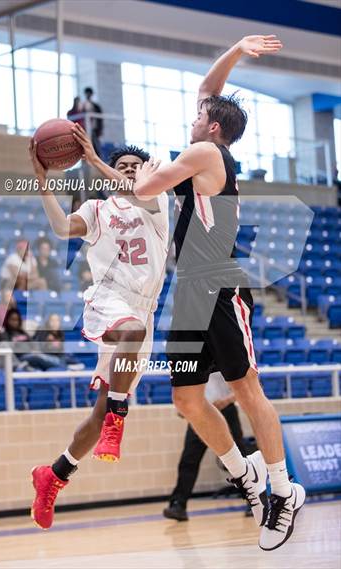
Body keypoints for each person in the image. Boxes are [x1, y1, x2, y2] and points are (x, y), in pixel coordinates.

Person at [133, 35, 305, 552]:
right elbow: (210, 90)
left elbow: (145, 189)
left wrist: (127, 170)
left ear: (211, 128)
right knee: (186, 399)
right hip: (190, 291)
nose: (191, 118)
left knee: (247, 388)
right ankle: (244, 475)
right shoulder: (209, 143)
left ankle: (281, 489)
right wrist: (235, 49)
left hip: (219, 285)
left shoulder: (206, 150)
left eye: (198, 116)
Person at [28, 127, 168, 530]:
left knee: (102, 407)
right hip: (107, 299)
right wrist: (42, 184)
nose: (126, 172)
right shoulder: (95, 209)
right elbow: (60, 228)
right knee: (129, 332)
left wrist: (94, 160)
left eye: (133, 168)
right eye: (121, 165)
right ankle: (118, 420)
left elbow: (136, 188)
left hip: (143, 309)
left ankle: (54, 475)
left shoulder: (156, 202)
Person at [163, 372, 247, 522]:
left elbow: (246, 383)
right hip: (199, 412)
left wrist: (227, 400)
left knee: (240, 458)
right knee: (189, 459)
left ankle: (253, 501)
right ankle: (178, 505)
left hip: (226, 409)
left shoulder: (222, 351)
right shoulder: (191, 353)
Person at [83, 87, 103, 157]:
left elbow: (100, 119)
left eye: (89, 94)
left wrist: (100, 130)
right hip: (84, 130)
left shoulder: (96, 106)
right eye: (87, 94)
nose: (88, 95)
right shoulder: (82, 105)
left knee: (96, 147)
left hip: (94, 129)